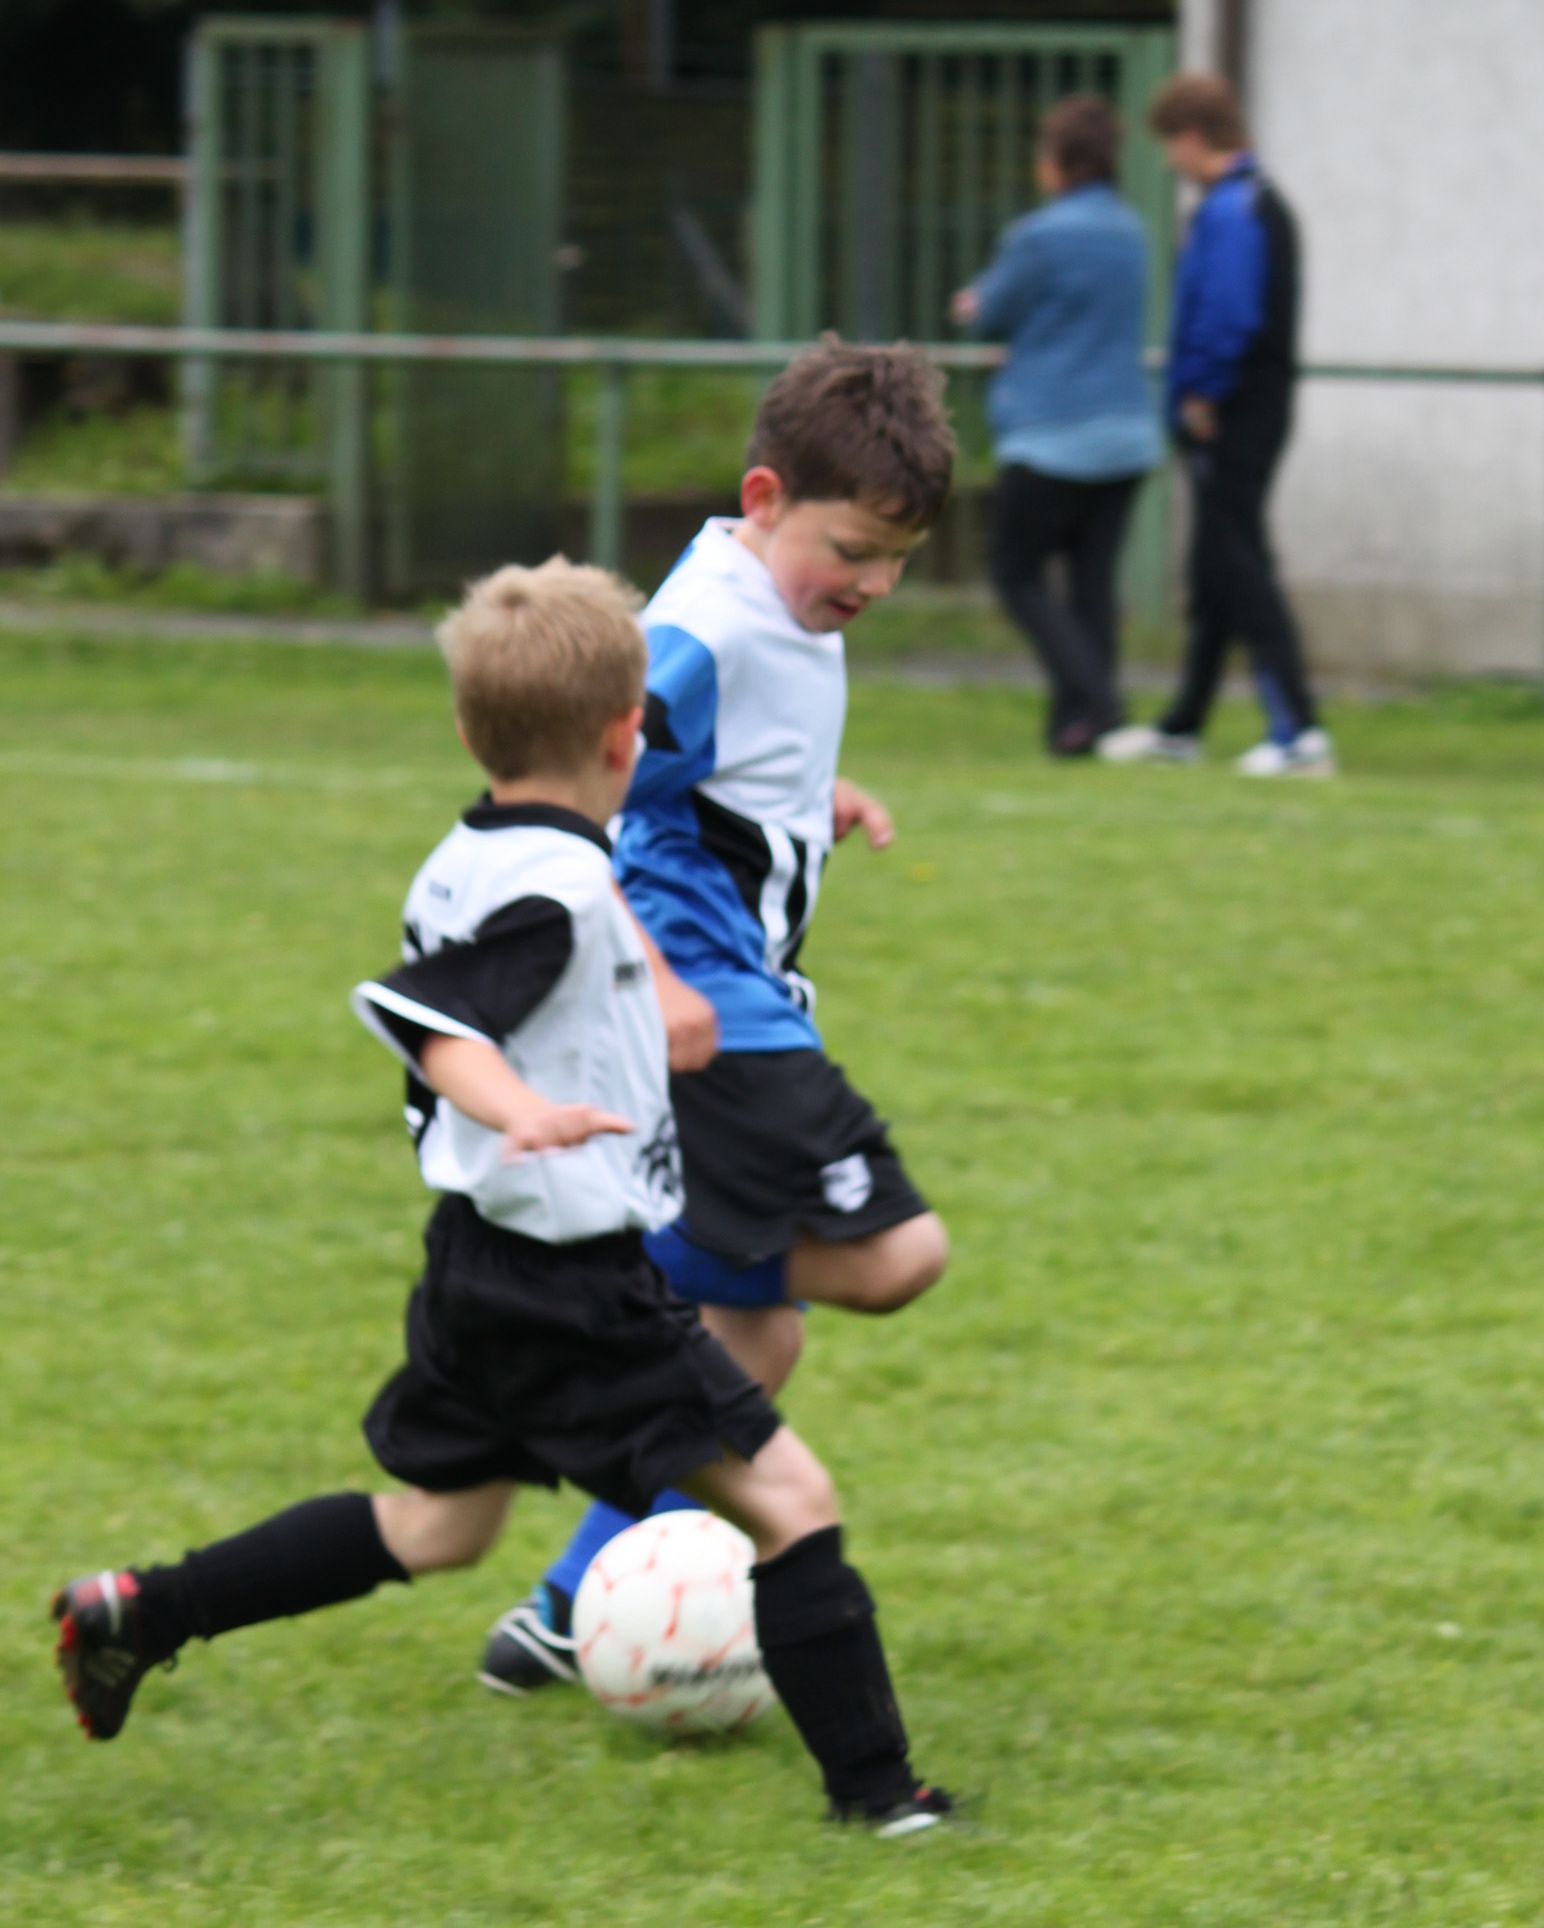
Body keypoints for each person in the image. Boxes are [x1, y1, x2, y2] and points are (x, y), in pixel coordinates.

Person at [50, 557, 954, 1836]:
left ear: (472, 731)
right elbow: (434, 1016)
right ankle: (879, 1798)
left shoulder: (473, 853)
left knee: (436, 1526)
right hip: (576, 1280)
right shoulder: (562, 889)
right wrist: (516, 1104)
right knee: (791, 1505)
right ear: (626, 735)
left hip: (476, 1260)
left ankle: (142, 1608)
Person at [478, 341, 956, 1700]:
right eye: (853, 550)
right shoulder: (703, 631)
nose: (871, 584)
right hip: (715, 1015)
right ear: (764, 497)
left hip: (736, 1004)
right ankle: (611, 1290)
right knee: (896, 1255)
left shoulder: (772, 607)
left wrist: (807, 802)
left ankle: (561, 1611)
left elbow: (708, 776)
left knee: (760, 1340)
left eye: (898, 561)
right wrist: (664, 977)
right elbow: (571, 809)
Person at [1099, 72, 1334, 777]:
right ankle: (1184, 726)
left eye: (1170, 144)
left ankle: (1299, 731)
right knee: (1215, 570)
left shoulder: (1232, 209)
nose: (1169, 161)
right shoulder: (1257, 202)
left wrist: (1201, 394)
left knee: (1242, 564)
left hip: (1231, 413)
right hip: (1250, 407)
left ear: (1194, 137)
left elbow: (1228, 314)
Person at [952, 95, 1161, 757]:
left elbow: (991, 312)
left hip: (1051, 432)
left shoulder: (1038, 237)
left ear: (1059, 161)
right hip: (1126, 431)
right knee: (1092, 584)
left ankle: (1101, 705)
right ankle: (1077, 727)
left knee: (1016, 574)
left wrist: (974, 303)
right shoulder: (1131, 231)